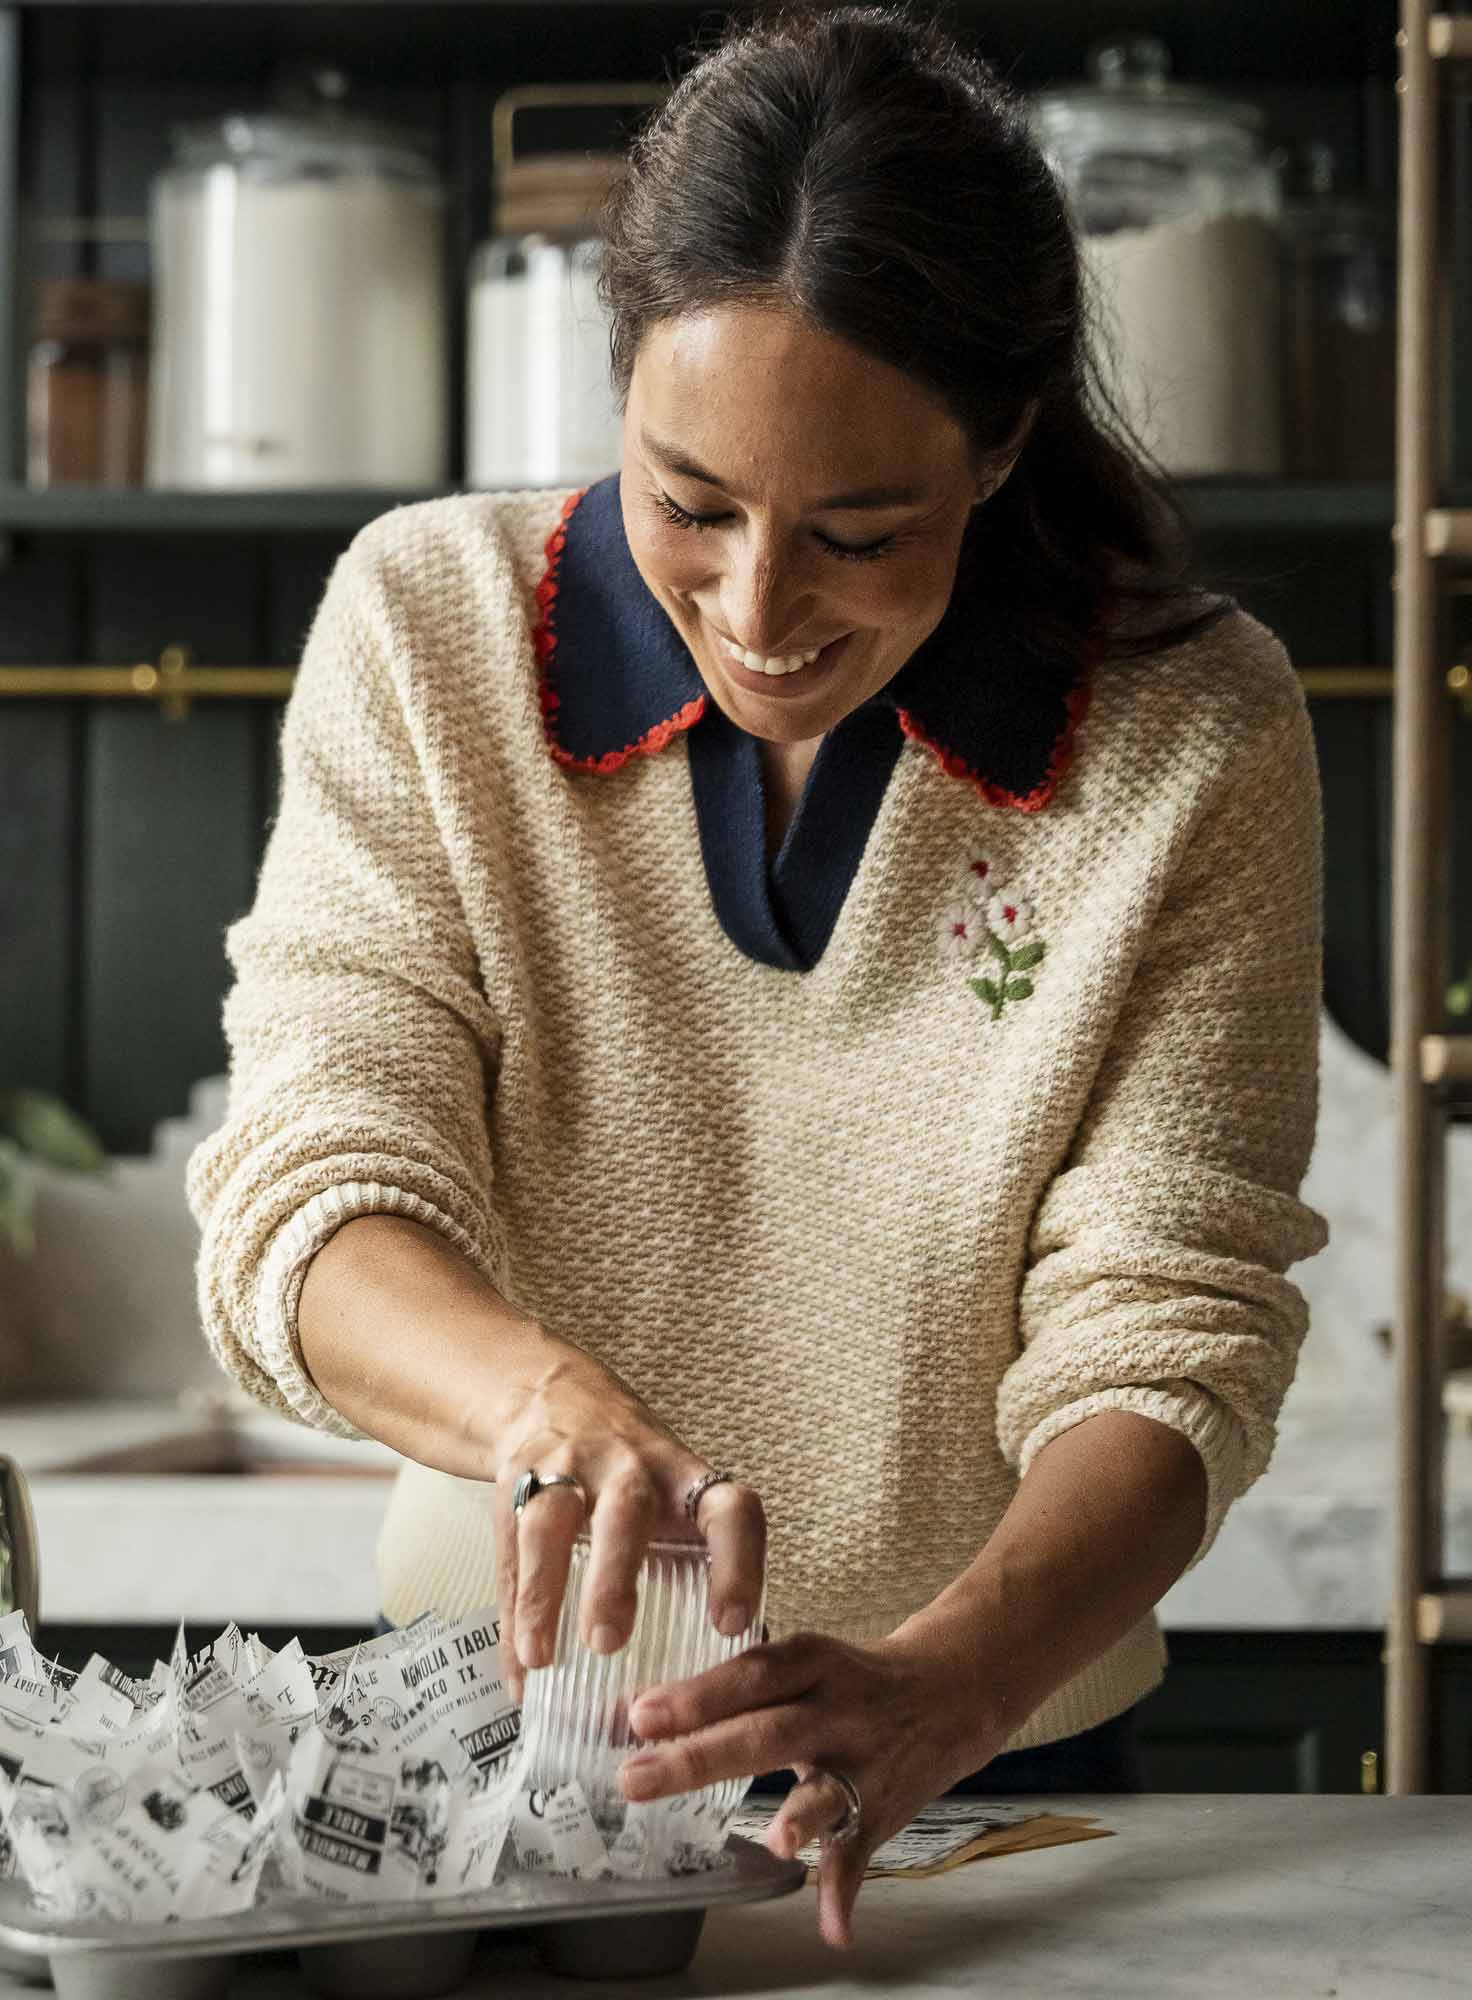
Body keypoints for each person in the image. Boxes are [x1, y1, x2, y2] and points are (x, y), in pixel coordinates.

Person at [188, 2, 1326, 1948]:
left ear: (1004, 446)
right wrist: (545, 1404)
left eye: (860, 532)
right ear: (617, 377)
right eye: (687, 504)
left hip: (994, 1764)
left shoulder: (1189, 728)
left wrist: (943, 1684)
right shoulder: (426, 631)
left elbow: (1172, 1321)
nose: (755, 610)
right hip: (485, 1752)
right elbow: (309, 1194)